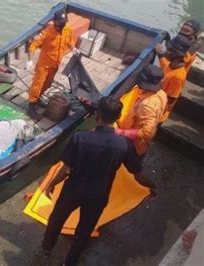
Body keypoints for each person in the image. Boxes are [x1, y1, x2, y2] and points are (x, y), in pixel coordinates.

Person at [41, 96, 153, 266]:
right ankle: (69, 263)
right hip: (98, 195)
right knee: (83, 232)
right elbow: (137, 173)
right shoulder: (124, 145)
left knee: (56, 220)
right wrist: (151, 186)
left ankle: (47, 247)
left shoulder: (80, 138)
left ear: (97, 115)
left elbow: (65, 169)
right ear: (118, 117)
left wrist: (51, 184)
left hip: (73, 190)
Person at [26, 10, 79, 119]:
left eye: (64, 23)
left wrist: (73, 49)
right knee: (37, 85)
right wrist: (30, 60)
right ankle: (31, 105)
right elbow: (33, 45)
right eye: (60, 23)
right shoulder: (47, 32)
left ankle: (38, 99)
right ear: (55, 22)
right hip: (44, 65)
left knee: (47, 84)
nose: (62, 26)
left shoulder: (67, 29)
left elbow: (69, 41)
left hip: (55, 65)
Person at [115, 65, 168, 156]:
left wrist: (122, 132)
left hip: (132, 145)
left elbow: (148, 132)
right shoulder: (162, 94)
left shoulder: (146, 105)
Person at [156, 35, 191, 122]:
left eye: (170, 50)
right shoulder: (172, 65)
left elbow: (170, 100)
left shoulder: (178, 77)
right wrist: (159, 54)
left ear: (178, 55)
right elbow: (166, 66)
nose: (166, 51)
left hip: (157, 111)